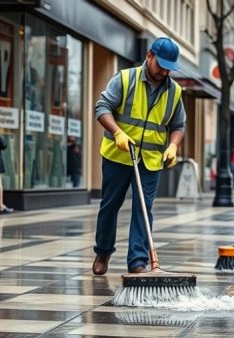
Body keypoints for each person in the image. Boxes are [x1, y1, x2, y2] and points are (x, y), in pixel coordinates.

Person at [92, 37, 186, 275]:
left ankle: (137, 262)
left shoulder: (174, 91)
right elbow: (102, 107)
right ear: (149, 56)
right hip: (118, 155)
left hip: (151, 160)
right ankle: (103, 252)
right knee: (109, 206)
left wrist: (173, 146)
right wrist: (117, 132)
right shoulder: (125, 79)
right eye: (160, 65)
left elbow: (179, 125)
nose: (164, 71)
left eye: (168, 67)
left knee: (143, 209)